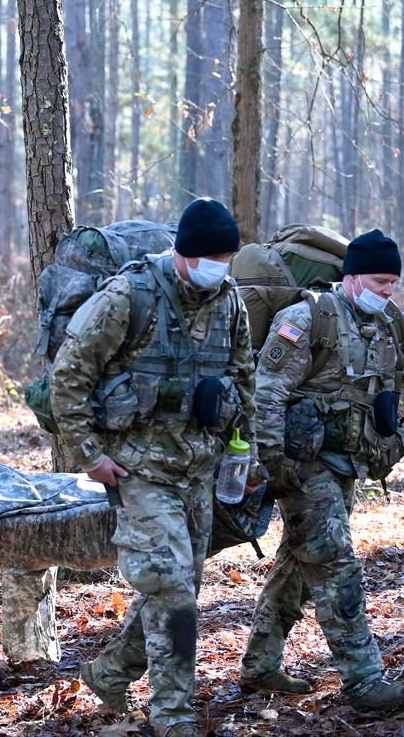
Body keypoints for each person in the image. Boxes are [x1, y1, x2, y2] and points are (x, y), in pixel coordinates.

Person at [239, 229, 404, 710]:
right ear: (351, 277)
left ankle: (260, 667)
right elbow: (266, 394)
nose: (388, 290)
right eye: (379, 279)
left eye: (393, 281)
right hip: (299, 465)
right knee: (335, 561)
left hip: (347, 464)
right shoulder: (306, 318)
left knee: (300, 565)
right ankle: (364, 678)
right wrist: (268, 466)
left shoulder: (394, 322)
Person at [51, 198, 260, 737]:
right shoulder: (128, 296)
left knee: (179, 590)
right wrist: (90, 455)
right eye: (213, 257)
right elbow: (69, 376)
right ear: (185, 254)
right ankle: (173, 716)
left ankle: (108, 672)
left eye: (228, 257)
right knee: (171, 590)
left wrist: (246, 449)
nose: (221, 267)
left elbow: (244, 378)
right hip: (138, 468)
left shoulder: (229, 301)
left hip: (199, 467)